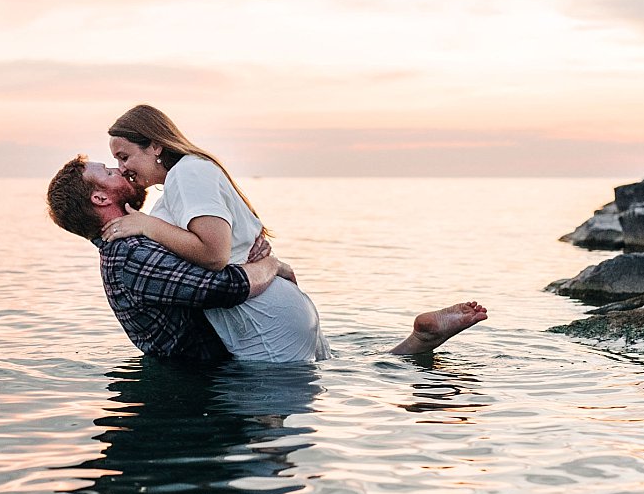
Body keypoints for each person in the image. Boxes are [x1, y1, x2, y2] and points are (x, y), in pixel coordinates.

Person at [46, 155, 489, 362]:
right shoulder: (128, 253)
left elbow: (207, 261)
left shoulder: (139, 237)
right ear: (101, 196)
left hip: (237, 359)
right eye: (106, 170)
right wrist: (273, 266)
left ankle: (419, 342)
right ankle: (419, 343)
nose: (117, 167)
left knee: (343, 371)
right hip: (216, 376)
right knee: (343, 377)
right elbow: (222, 287)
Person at [102, 104, 329, 362]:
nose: (121, 168)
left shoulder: (188, 173)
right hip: (268, 315)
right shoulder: (180, 181)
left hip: (266, 321)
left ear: (155, 146)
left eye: (124, 156)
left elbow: (214, 254)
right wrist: (272, 265)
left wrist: (147, 226)